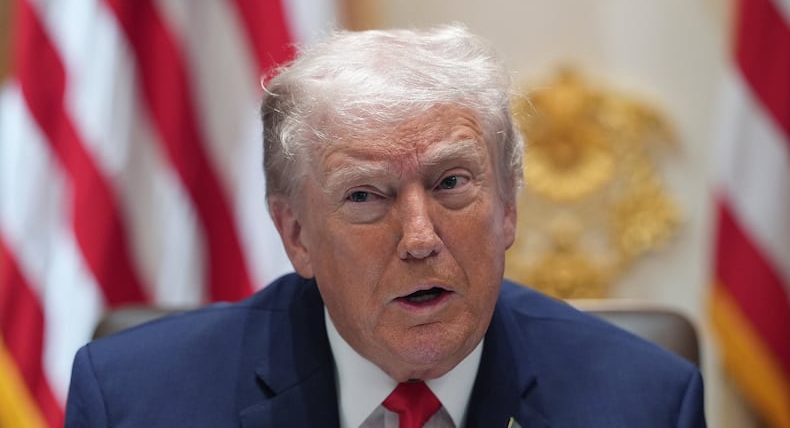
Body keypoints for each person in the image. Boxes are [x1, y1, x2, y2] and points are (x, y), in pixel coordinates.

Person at [65, 25, 706, 427]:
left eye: (452, 182)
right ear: (296, 234)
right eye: (367, 196)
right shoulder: (134, 401)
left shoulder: (645, 401)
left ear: (508, 206)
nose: (421, 238)